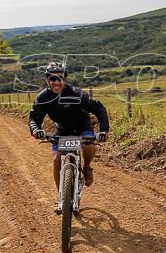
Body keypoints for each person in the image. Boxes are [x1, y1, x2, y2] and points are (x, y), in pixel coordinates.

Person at [28, 62, 109, 213]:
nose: (57, 82)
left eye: (60, 78)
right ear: (47, 80)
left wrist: (104, 130)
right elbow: (34, 118)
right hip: (63, 129)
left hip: (82, 126)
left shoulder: (76, 93)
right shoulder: (43, 97)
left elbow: (98, 107)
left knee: (88, 145)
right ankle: (61, 198)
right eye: (53, 78)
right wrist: (35, 129)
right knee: (57, 160)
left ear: (64, 79)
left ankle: (86, 168)